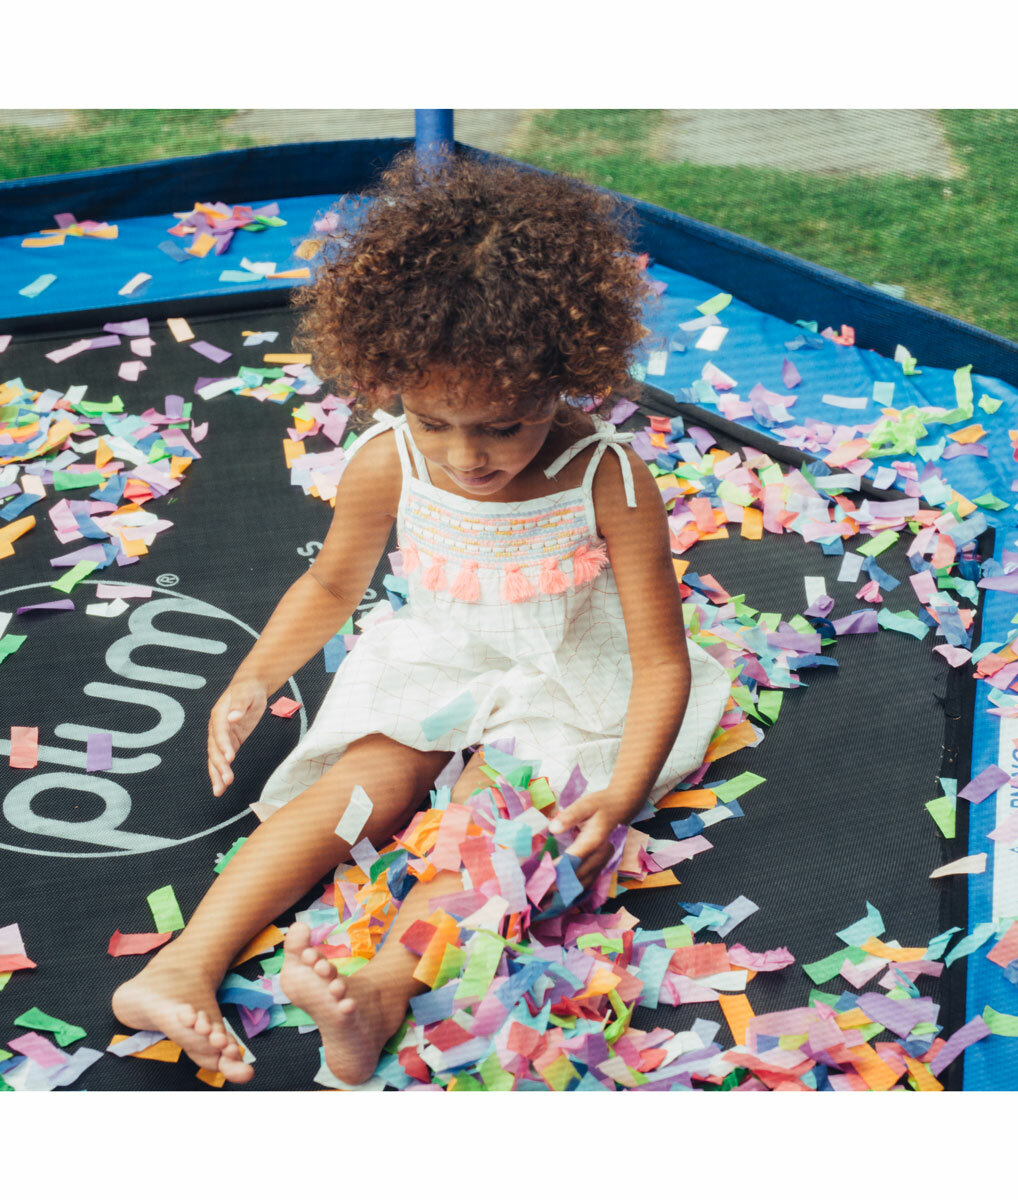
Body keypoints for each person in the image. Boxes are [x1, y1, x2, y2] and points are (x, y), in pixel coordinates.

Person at [111, 152, 733, 1086]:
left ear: (564, 382)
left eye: (503, 424)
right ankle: (183, 963)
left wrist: (624, 787)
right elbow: (330, 586)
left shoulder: (607, 477)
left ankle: (380, 991)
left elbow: (659, 660)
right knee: (363, 781)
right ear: (394, 381)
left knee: (500, 821)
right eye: (437, 421)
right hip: (441, 661)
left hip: (571, 683)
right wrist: (254, 677)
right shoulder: (387, 460)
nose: (467, 456)